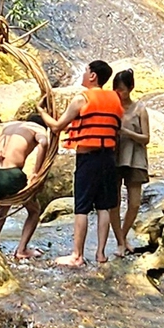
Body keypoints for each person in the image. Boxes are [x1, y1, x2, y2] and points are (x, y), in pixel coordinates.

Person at [47, 60, 122, 267]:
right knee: (104, 207)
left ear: (93, 76)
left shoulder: (82, 98)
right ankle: (100, 254)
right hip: (108, 158)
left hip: (88, 159)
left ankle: (77, 255)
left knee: (81, 208)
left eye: (86, 71)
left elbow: (57, 126)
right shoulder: (115, 98)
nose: (83, 74)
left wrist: (42, 113)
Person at [0, 112, 52, 259]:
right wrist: (37, 172)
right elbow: (44, 143)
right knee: (34, 211)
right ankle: (22, 250)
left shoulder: (10, 126)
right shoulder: (38, 128)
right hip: (10, 174)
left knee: (4, 204)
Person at [111, 69, 150, 256]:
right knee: (114, 202)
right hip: (115, 157)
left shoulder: (140, 109)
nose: (119, 93)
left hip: (135, 157)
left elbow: (146, 138)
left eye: (122, 89)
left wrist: (127, 133)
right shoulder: (111, 108)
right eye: (116, 89)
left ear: (131, 88)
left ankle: (123, 235)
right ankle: (120, 241)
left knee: (134, 203)